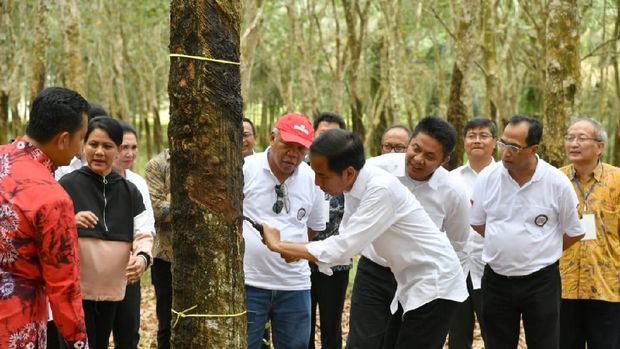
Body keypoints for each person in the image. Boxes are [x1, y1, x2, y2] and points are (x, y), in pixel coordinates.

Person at [259, 128, 467, 348]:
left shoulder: (380, 189)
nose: (317, 183)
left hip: (435, 283)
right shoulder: (358, 181)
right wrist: (299, 252)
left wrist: (278, 245)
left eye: (322, 175)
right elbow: (346, 239)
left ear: (348, 173)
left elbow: (342, 249)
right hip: (409, 282)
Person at [353, 116, 470, 348]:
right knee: (362, 343)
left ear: (444, 160)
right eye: (415, 149)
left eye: (430, 157)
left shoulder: (453, 191)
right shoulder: (375, 169)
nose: (417, 159)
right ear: (410, 142)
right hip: (375, 273)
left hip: (421, 278)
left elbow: (459, 246)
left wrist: (446, 297)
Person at [470, 115, 585, 349]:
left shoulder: (556, 183)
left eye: (514, 147)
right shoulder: (488, 178)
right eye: (503, 144)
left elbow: (574, 231)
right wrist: (504, 245)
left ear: (534, 149)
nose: (505, 152)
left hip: (541, 281)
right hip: (496, 279)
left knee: (544, 343)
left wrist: (541, 251)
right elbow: (478, 222)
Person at [0, 87, 89, 348]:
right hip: (15, 326)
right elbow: (64, 287)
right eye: (82, 139)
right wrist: (78, 342)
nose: (80, 150)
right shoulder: (53, 199)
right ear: (63, 139)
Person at [59, 117, 153, 349]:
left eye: (107, 146)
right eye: (93, 144)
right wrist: (71, 222)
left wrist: (142, 258)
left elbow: (143, 234)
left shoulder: (130, 191)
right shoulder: (66, 185)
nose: (99, 152)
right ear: (83, 146)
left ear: (118, 150)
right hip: (76, 292)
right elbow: (48, 231)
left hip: (116, 291)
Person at [243, 112, 327, 349]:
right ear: (272, 138)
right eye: (288, 145)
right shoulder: (246, 168)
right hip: (249, 281)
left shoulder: (313, 179)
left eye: (301, 149)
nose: (293, 154)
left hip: (294, 284)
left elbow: (314, 228)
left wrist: (291, 249)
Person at [559, 118, 620, 349]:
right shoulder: (555, 180)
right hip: (563, 284)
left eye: (581, 138)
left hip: (608, 287)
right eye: (570, 138)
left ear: (600, 146)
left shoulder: (617, 180)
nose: (573, 143)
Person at [448, 117, 497, 348]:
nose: (477, 140)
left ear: (495, 142)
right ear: (464, 141)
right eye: (471, 135)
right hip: (456, 269)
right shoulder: (451, 178)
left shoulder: (505, 177)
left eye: (483, 135)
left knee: (496, 334)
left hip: (492, 268)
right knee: (458, 336)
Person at [112, 120, 156, 349]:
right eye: (123, 147)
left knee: (128, 334)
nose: (128, 153)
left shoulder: (138, 183)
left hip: (130, 269)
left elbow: (147, 226)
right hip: (96, 272)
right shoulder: (87, 181)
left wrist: (141, 258)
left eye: (133, 147)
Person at [309, 112, 350, 349]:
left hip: (337, 262)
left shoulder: (350, 172)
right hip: (302, 259)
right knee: (303, 321)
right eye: (323, 135)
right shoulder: (302, 168)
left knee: (331, 325)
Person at [145, 148, 172, 349]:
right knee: (167, 323)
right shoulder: (158, 164)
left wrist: (172, 198)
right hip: (166, 258)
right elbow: (159, 212)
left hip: (200, 256)